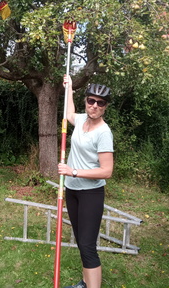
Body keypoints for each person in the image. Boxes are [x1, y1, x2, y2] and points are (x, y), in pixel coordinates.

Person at [58, 75, 114, 288]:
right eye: (91, 100)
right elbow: (69, 113)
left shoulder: (103, 133)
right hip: (72, 190)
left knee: (88, 245)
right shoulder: (81, 119)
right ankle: (85, 282)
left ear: (105, 107)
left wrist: (73, 172)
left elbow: (107, 171)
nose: (94, 106)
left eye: (100, 103)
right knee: (82, 241)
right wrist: (70, 87)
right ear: (86, 101)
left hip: (90, 193)